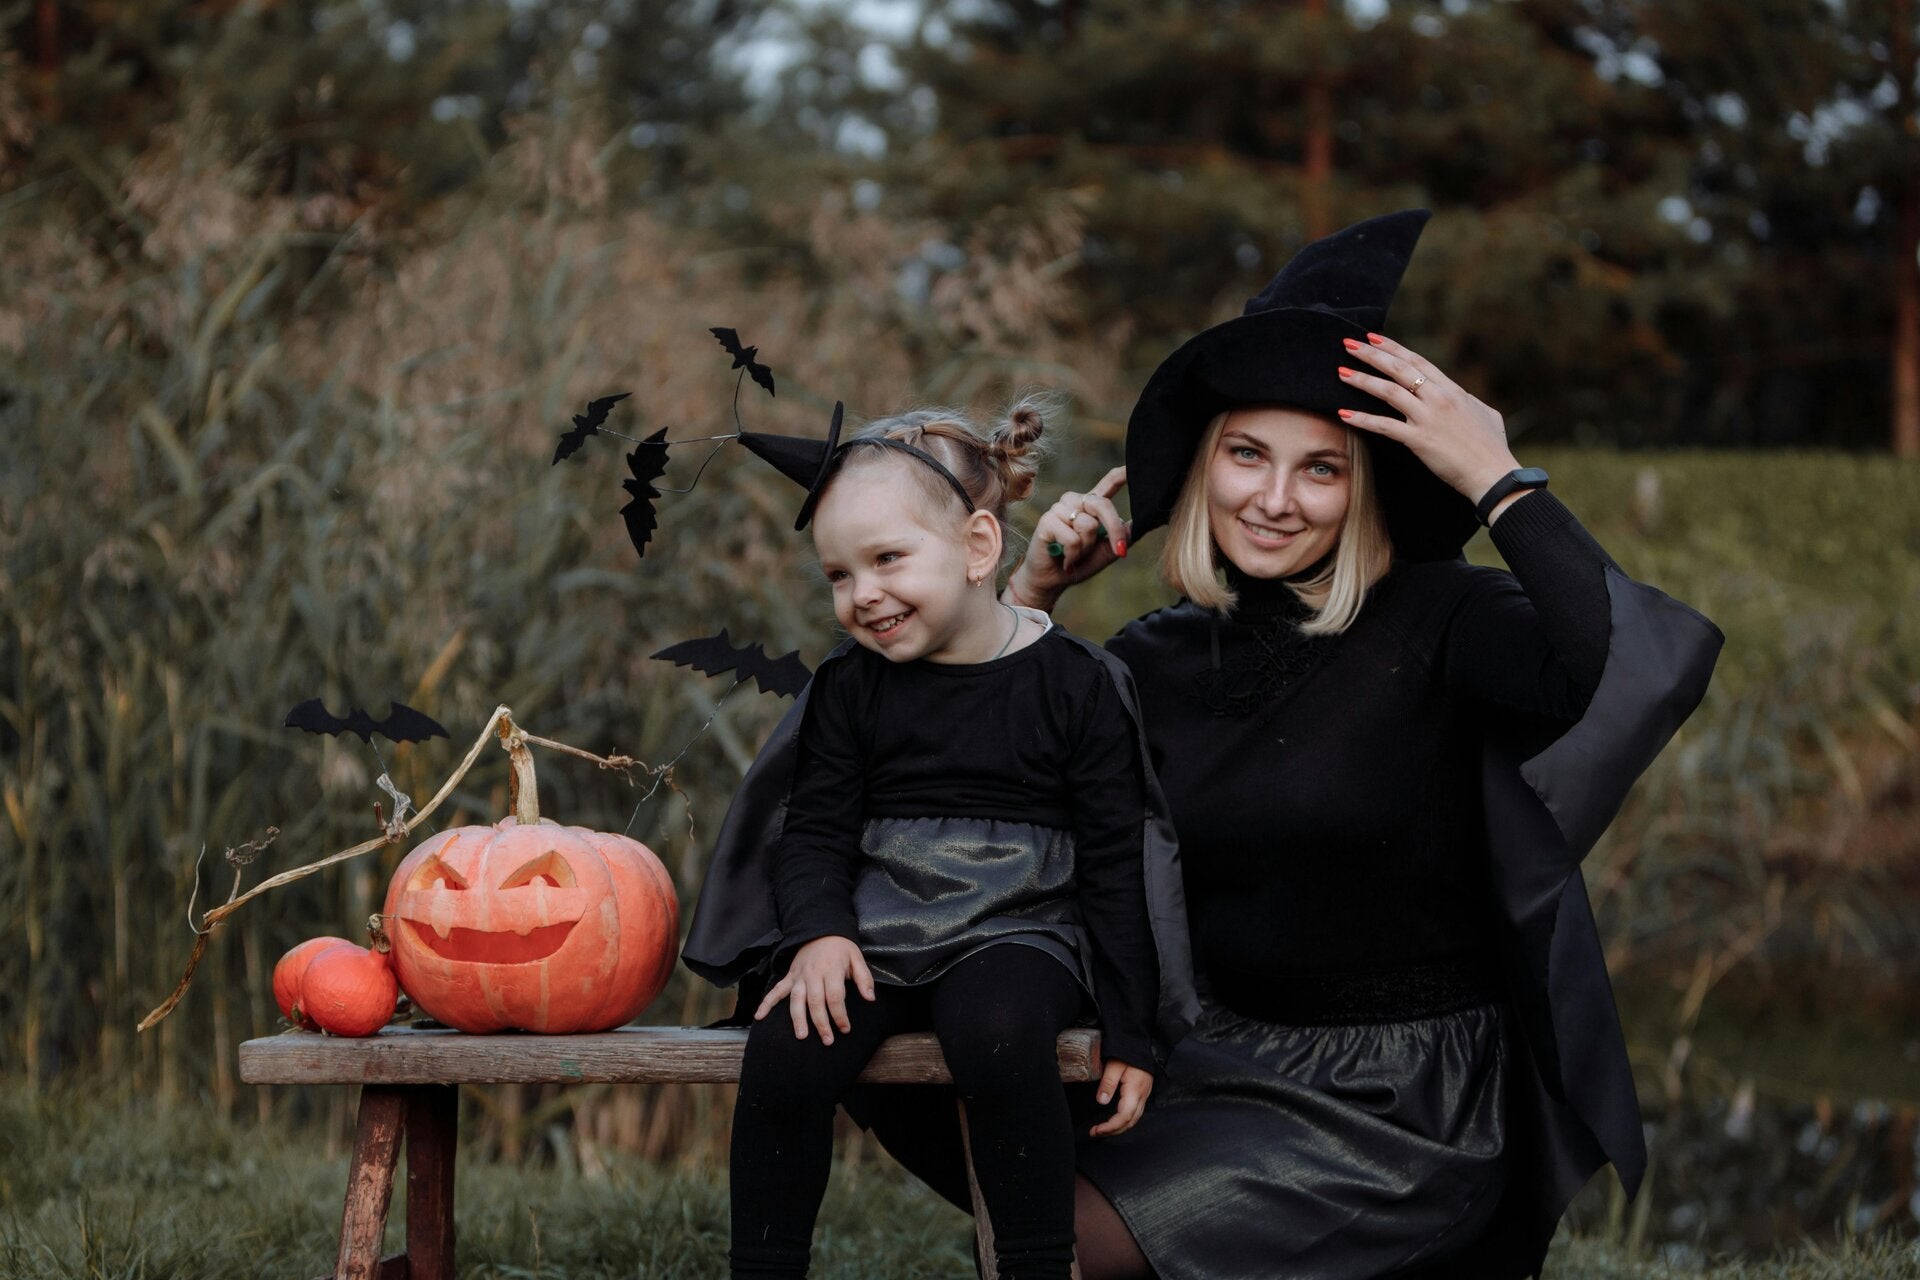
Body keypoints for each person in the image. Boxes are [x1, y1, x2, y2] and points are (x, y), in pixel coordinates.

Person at [855, 210, 1723, 1278]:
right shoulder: (1157, 656)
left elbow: (1631, 667)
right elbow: (976, 791)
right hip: (1209, 1059)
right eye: (1246, 455)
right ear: (1203, 464)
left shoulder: (1449, 618)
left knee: (1057, 1244)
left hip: (1400, 1104)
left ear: (1369, 484)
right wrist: (1027, 602)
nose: (1272, 499)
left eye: (1322, 469)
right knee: (893, 1066)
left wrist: (1496, 476)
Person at [682, 401, 1199, 1279]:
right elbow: (814, 832)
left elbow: (1118, 866)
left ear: (978, 547)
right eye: (838, 575)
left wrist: (1130, 1033)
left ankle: (1037, 1266)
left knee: (997, 1029)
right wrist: (818, 935)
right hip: (874, 932)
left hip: (1021, 927)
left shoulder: (1077, 685)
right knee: (789, 1046)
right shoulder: (851, 686)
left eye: (888, 559)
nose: (862, 594)